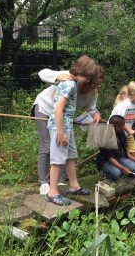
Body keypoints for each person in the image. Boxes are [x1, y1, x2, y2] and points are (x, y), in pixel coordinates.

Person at [32, 58, 103, 195]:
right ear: (87, 78)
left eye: (97, 85)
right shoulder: (70, 79)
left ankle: (63, 182)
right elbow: (43, 74)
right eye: (93, 83)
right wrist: (58, 76)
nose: (94, 87)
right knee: (48, 146)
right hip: (46, 110)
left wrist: (96, 114)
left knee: (68, 151)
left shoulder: (92, 92)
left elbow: (91, 108)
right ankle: (44, 183)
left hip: (64, 119)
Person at [45, 56, 98, 206]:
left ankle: (74, 186)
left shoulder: (72, 83)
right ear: (81, 71)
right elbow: (58, 108)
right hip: (59, 127)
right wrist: (61, 133)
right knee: (57, 160)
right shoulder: (69, 84)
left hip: (67, 126)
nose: (87, 80)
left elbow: (56, 97)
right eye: (87, 76)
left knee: (70, 156)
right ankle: (52, 192)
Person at [110, 81, 135, 164]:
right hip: (116, 132)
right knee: (118, 151)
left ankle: (132, 166)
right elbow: (120, 122)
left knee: (133, 150)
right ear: (133, 93)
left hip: (127, 132)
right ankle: (121, 167)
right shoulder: (125, 104)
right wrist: (129, 130)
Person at [97, 115, 135, 180]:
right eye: (122, 125)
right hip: (105, 161)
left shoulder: (121, 133)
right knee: (117, 174)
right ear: (116, 126)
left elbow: (126, 151)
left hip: (118, 157)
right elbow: (110, 158)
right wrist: (123, 168)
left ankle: (121, 171)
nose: (124, 127)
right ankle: (104, 173)